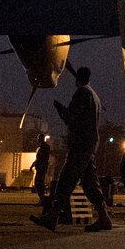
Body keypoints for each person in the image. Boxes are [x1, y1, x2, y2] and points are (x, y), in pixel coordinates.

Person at [31, 65, 113, 232]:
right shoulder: (94, 95)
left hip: (81, 144)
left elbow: (71, 117)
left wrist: (60, 109)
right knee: (90, 181)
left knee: (66, 178)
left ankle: (53, 215)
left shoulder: (82, 93)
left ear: (77, 78)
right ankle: (104, 217)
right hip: (89, 144)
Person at [32, 134, 52, 204]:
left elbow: (43, 158)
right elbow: (39, 158)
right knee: (38, 183)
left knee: (39, 183)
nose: (37, 139)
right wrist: (33, 164)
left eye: (38, 138)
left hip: (41, 168)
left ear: (41, 138)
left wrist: (41, 165)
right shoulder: (41, 147)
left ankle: (42, 199)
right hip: (40, 167)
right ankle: (42, 199)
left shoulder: (45, 147)